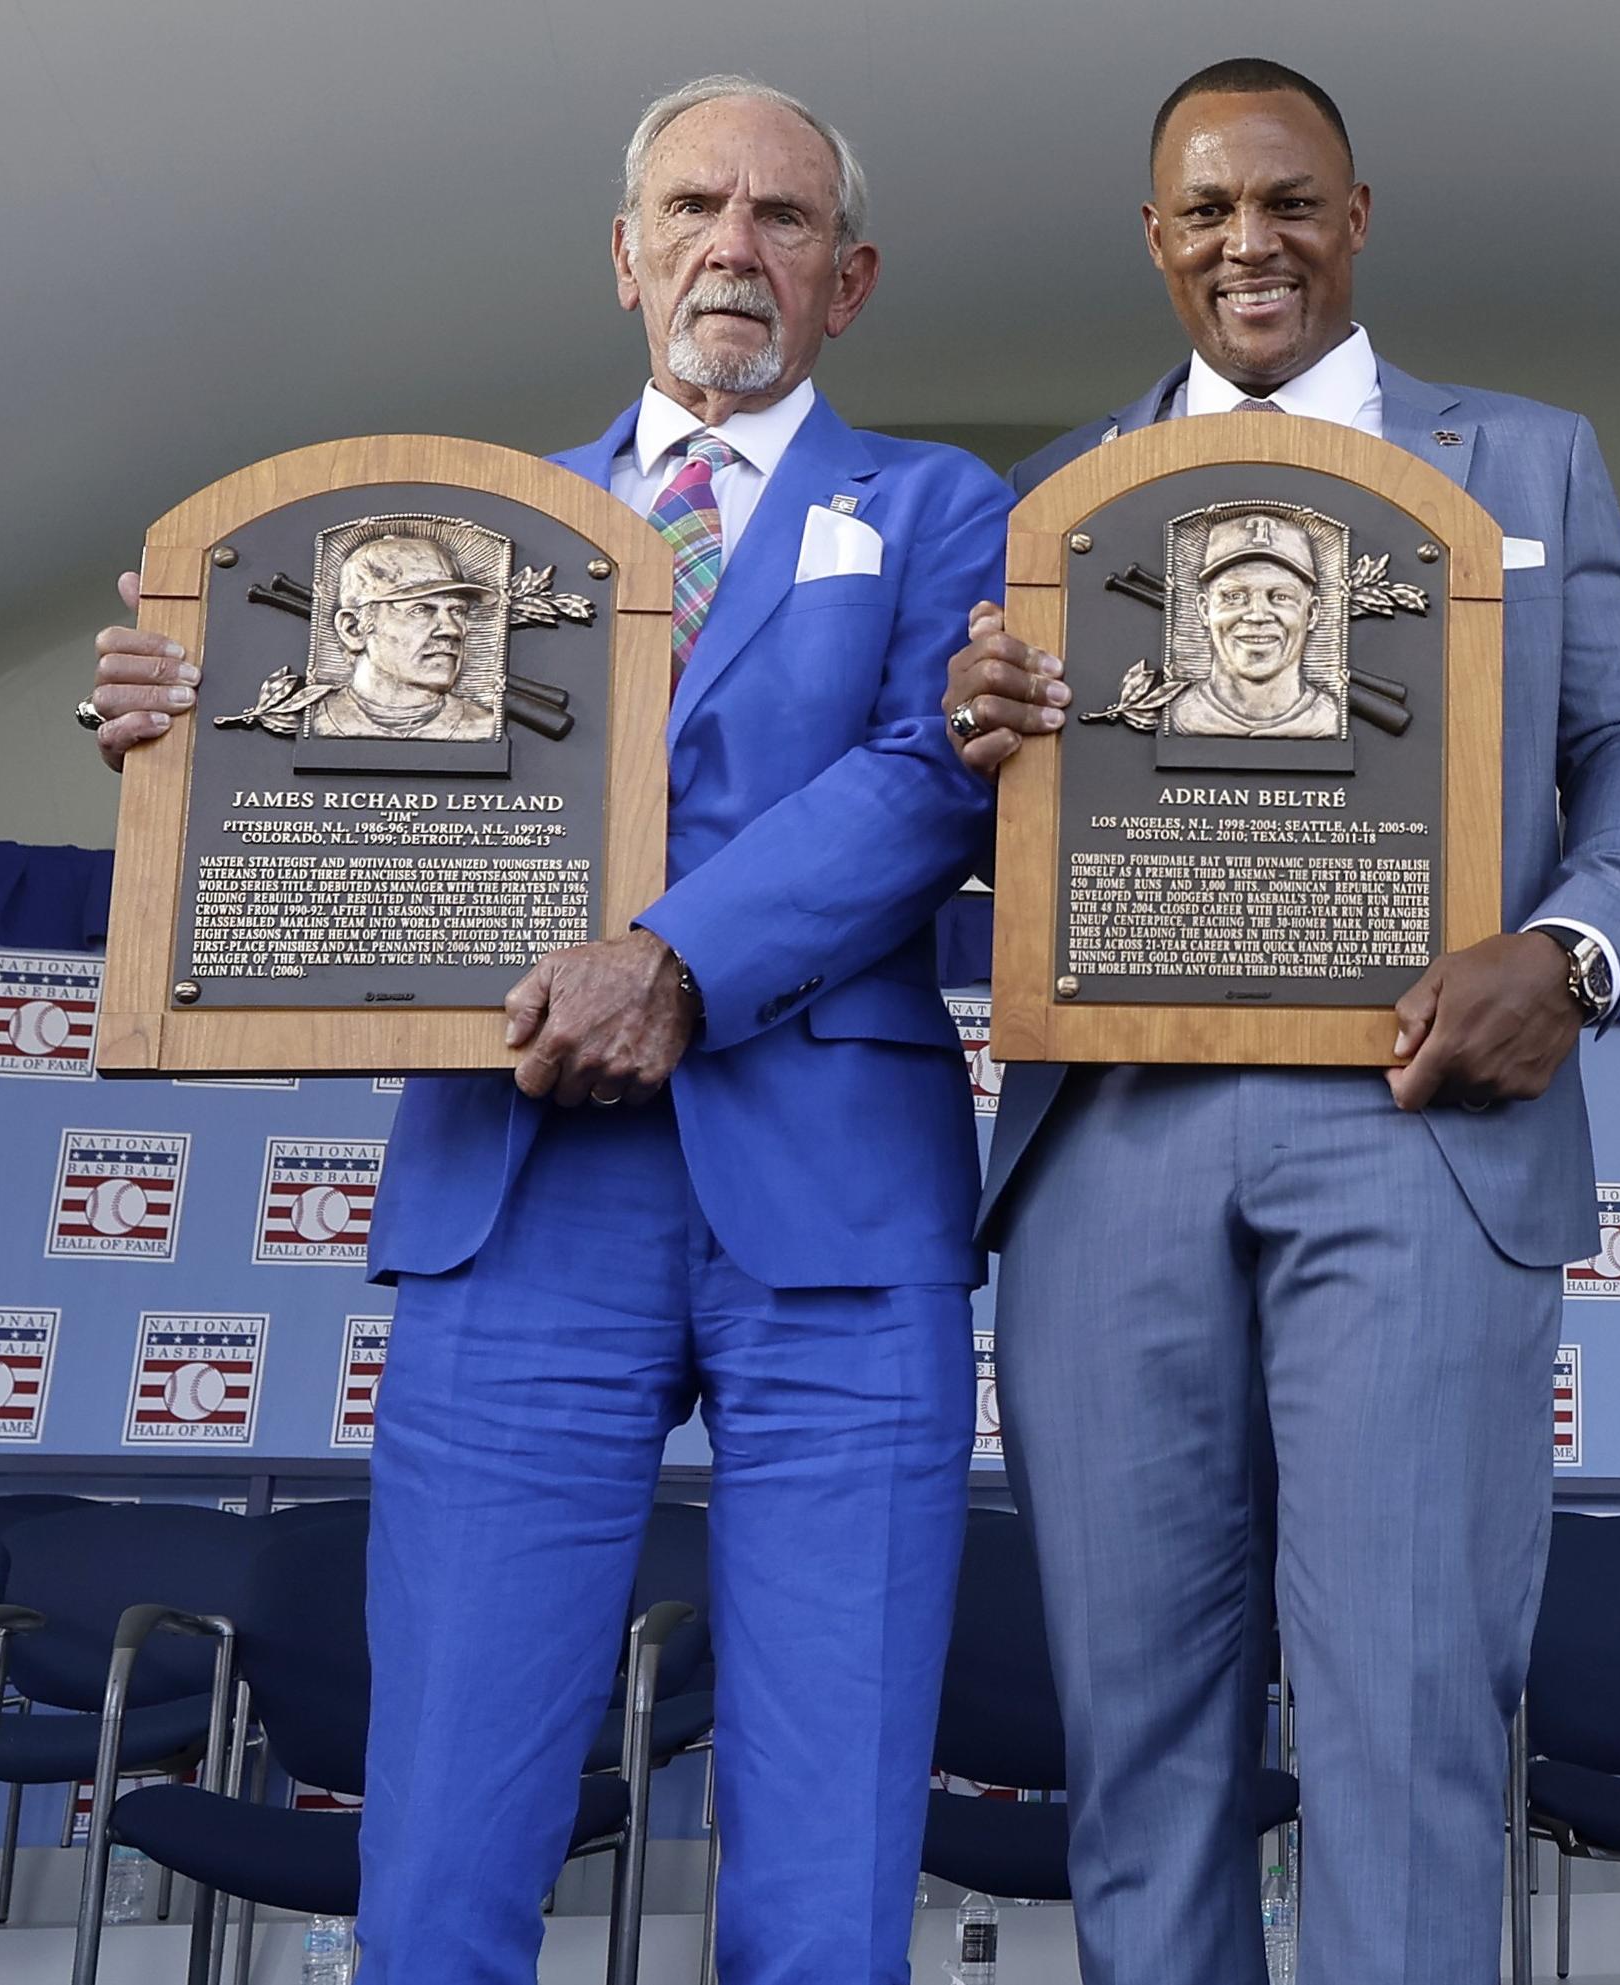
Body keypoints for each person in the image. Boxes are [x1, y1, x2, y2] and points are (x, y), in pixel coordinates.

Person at [85, 74, 1008, 1983]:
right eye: (691, 208)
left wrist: (668, 961)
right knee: (446, 1821)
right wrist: (199, 718)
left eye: (779, 217)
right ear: (623, 254)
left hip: (832, 1205)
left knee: (832, 1840)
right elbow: (325, 792)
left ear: (849, 277)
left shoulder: (942, 507)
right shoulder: (450, 535)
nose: (731, 245)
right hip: (518, 1193)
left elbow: (936, 776)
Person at [937, 56, 1620, 1982]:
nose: (1246, 242)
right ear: (1154, 241)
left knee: (1412, 1721)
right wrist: (974, 766)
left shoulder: (1523, 460)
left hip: (1418, 1122)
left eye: (1285, 202)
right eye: (1204, 210)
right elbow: (980, 827)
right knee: (1135, 1739)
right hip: (1113, 1139)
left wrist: (1579, 950)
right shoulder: (1054, 503)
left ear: (1353, 218)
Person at [308, 532, 500, 740]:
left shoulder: (485, 727)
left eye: (457, 611)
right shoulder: (315, 720)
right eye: (420, 610)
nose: (452, 629)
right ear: (353, 629)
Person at [1180, 507, 1342, 737]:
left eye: (1280, 597)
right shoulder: (1180, 717)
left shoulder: (1330, 720)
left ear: (1312, 613)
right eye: (1234, 597)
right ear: (1205, 610)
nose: (1257, 615)